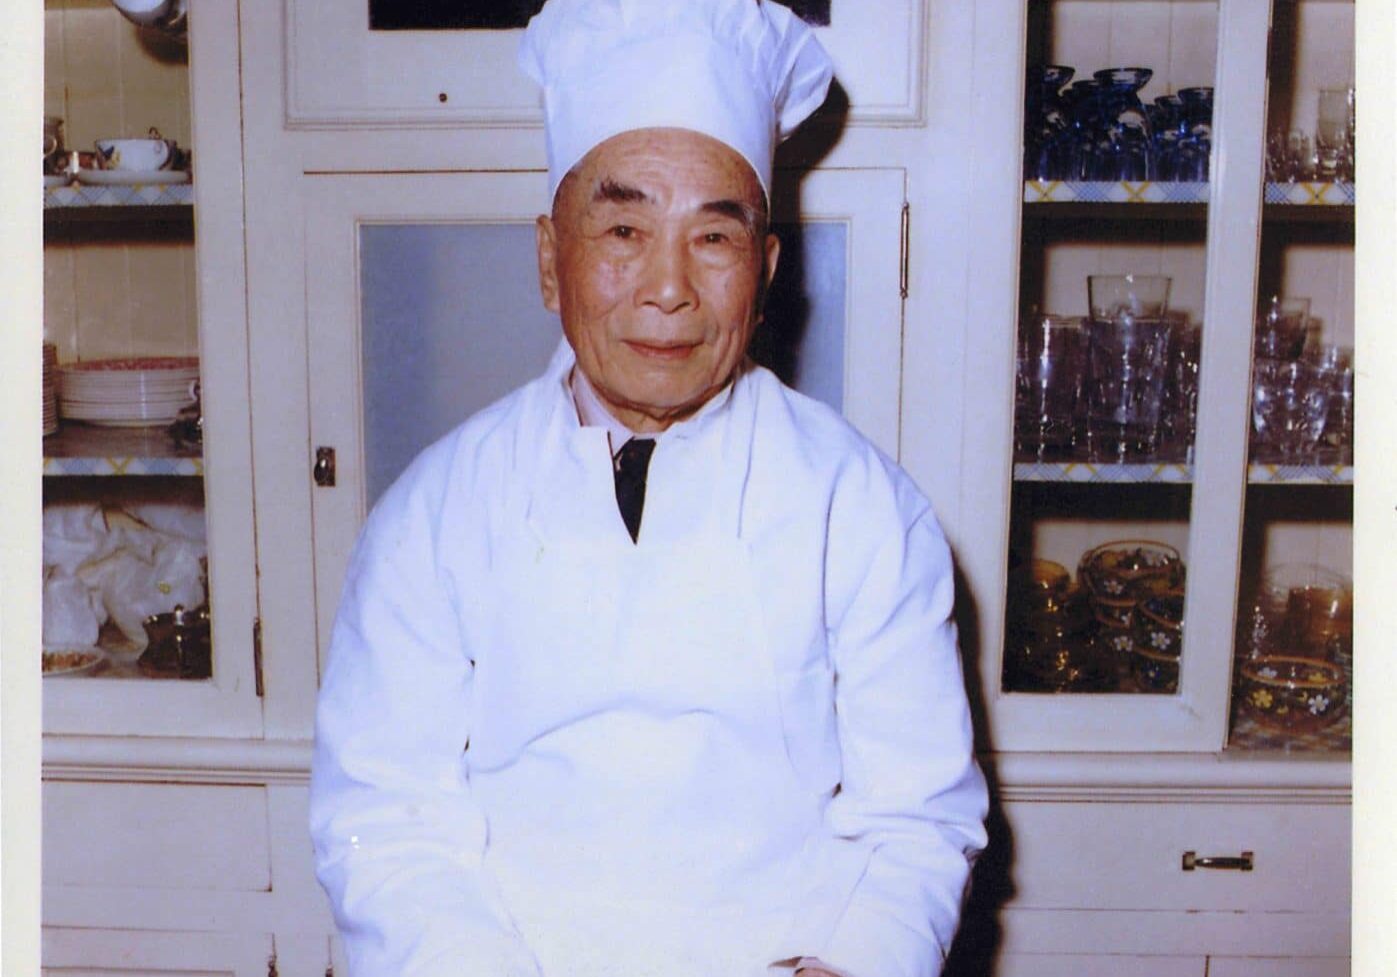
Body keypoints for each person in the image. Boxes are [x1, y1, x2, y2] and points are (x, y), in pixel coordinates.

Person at [308, 2, 988, 975]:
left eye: (713, 238)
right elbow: (384, 817)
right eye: (623, 226)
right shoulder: (433, 516)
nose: (667, 287)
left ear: (766, 268)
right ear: (551, 259)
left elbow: (917, 816)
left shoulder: (862, 511)